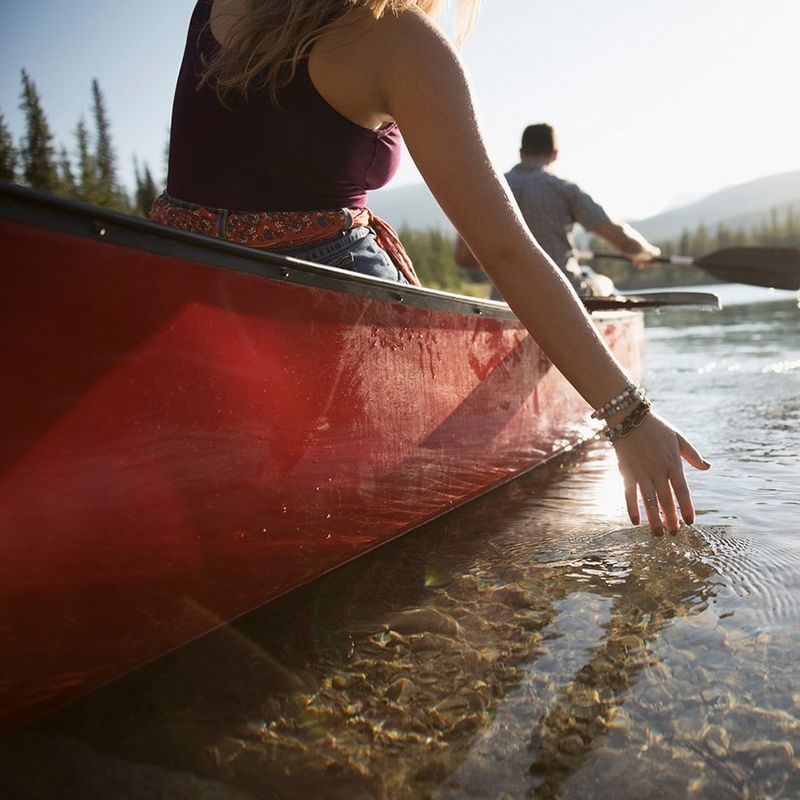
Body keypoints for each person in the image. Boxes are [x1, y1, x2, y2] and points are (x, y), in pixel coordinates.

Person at [152, 0, 710, 536]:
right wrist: (629, 415)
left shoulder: (219, 4)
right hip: (332, 293)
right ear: (555, 154)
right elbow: (507, 252)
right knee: (596, 286)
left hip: (172, 269)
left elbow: (472, 257)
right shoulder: (397, 34)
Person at [454, 123, 661, 298]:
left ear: (521, 152)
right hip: (565, 295)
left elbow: (463, 258)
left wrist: (510, 260)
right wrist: (648, 252)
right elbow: (622, 240)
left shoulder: (488, 190)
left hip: (507, 299)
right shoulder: (564, 189)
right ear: (554, 154)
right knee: (604, 283)